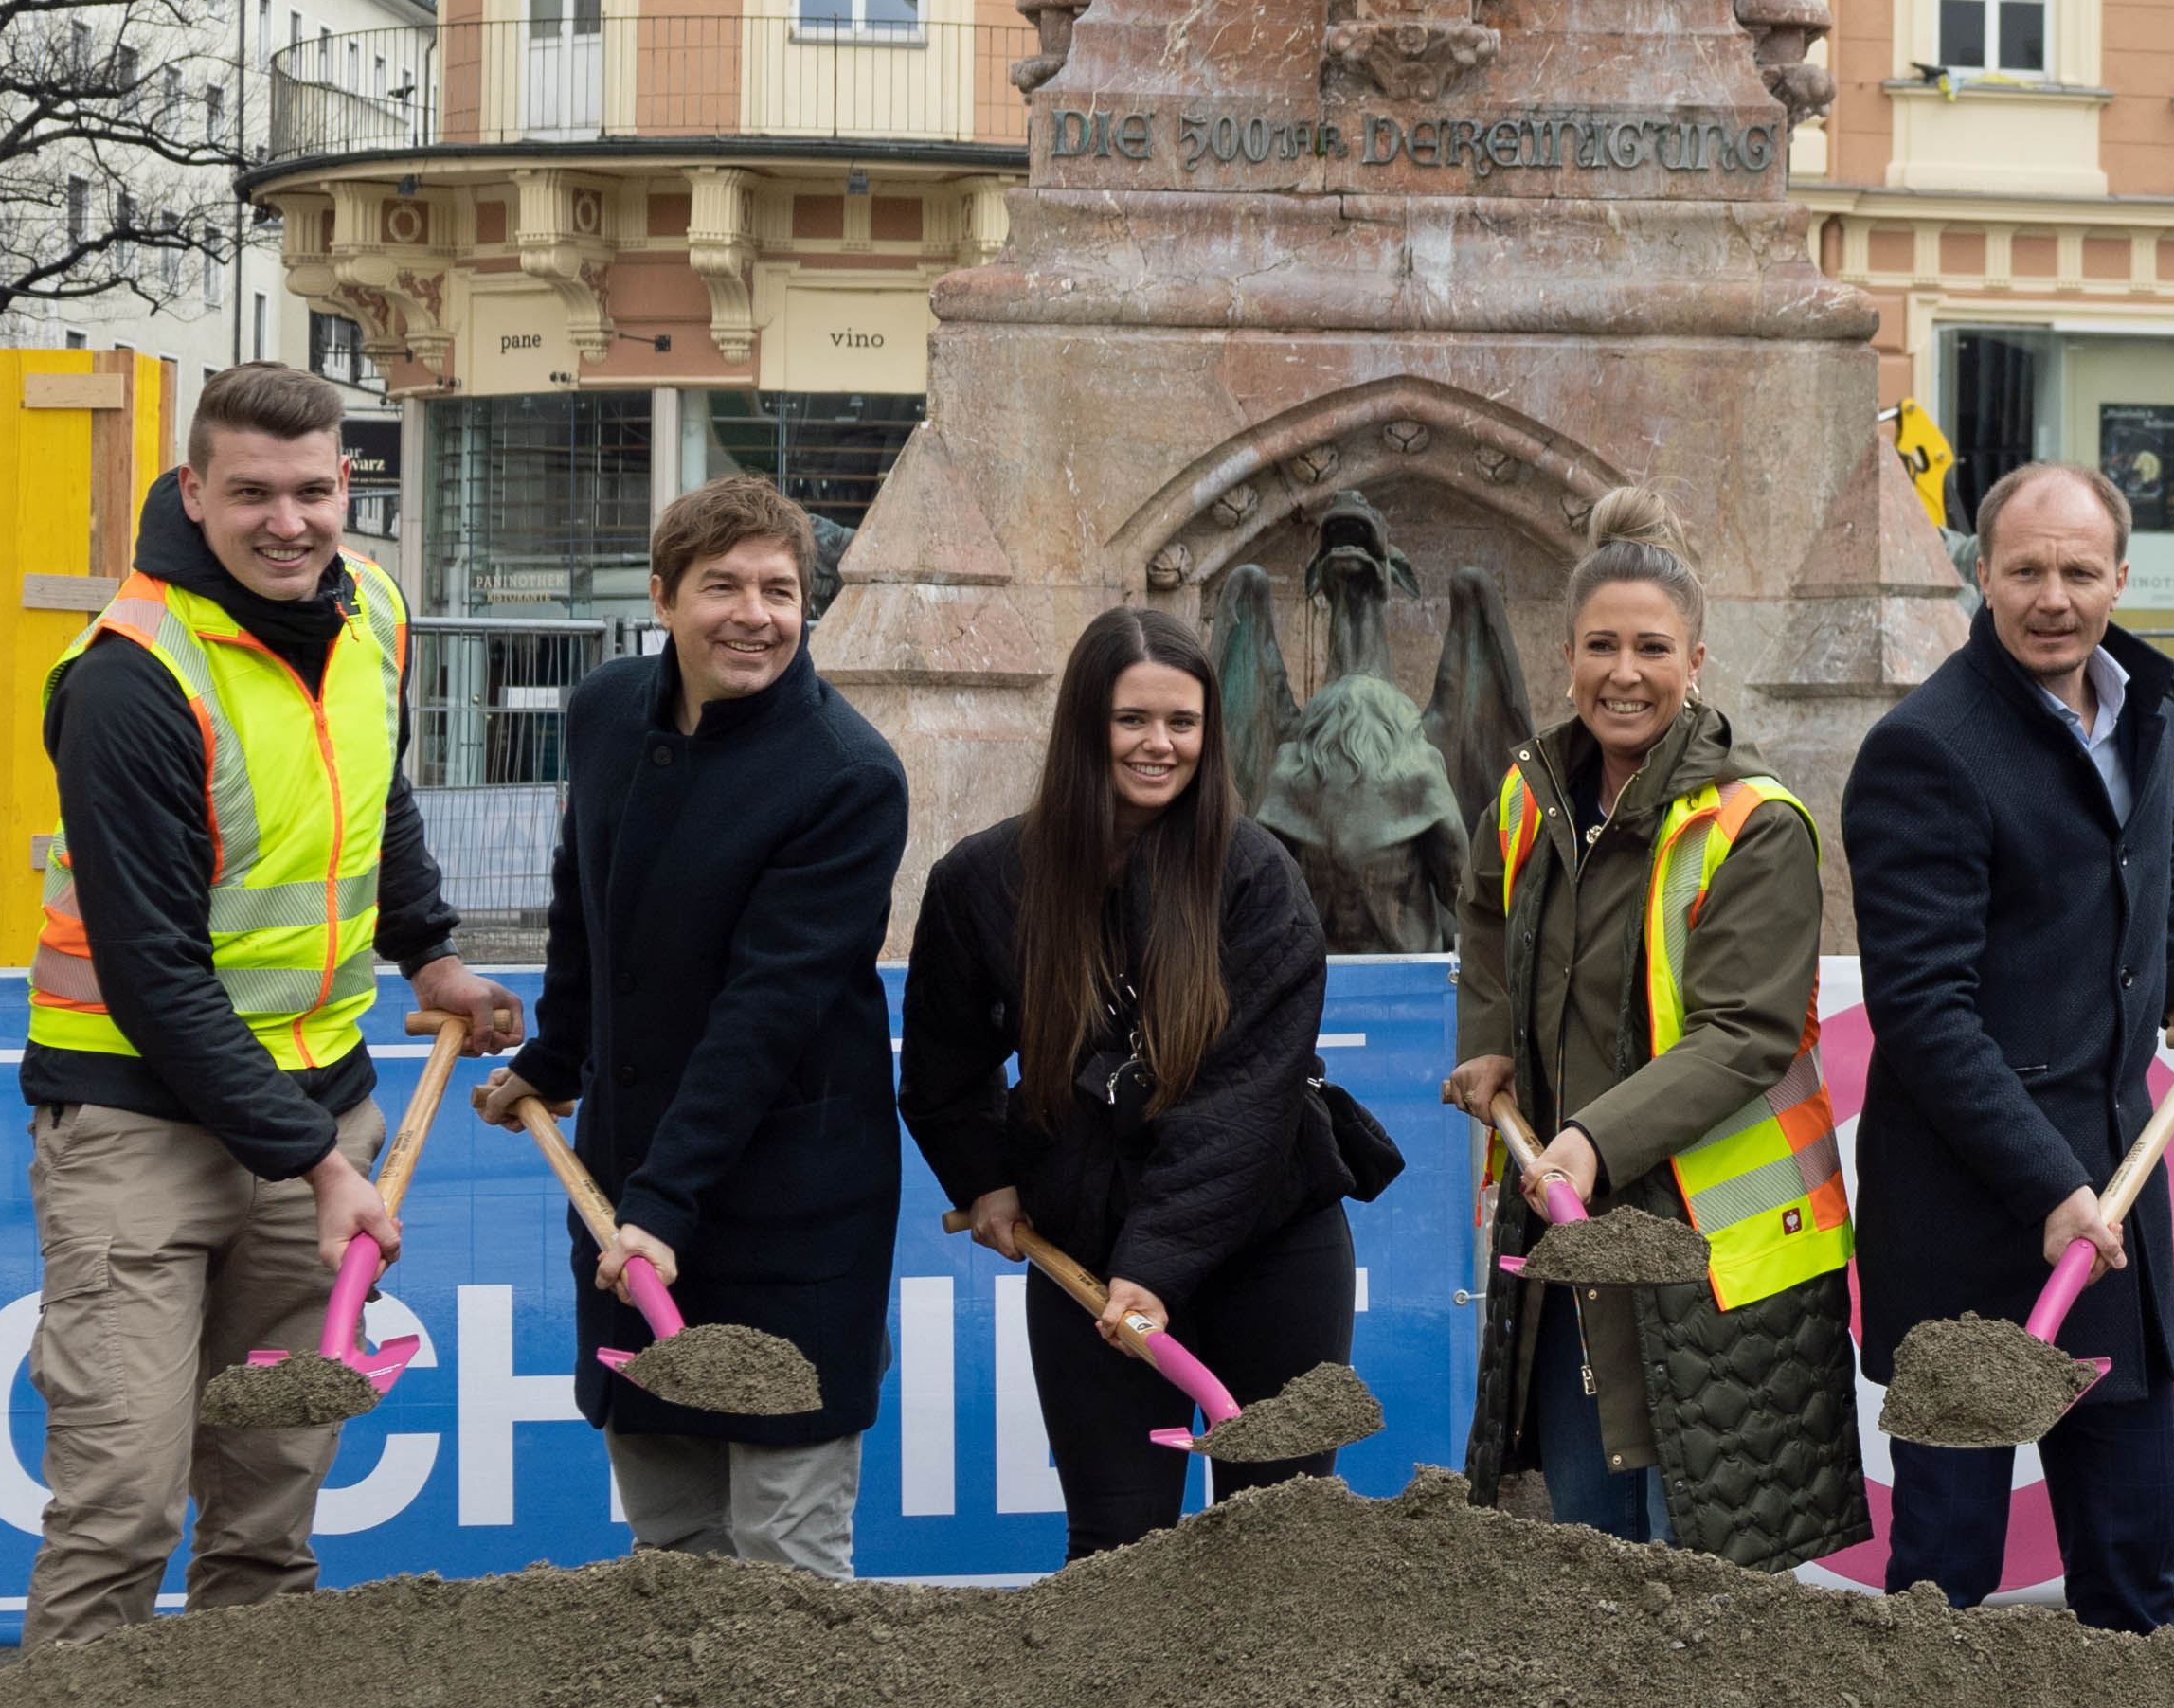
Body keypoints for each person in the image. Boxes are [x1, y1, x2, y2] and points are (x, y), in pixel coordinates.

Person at [24, 362, 523, 1650]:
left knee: (267, 1514)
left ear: (347, 484)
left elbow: (373, 797)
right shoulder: (131, 674)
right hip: (138, 1127)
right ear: (194, 491)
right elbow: (153, 974)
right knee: (121, 1509)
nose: (286, 522)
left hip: (317, 1111)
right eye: (250, 493)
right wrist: (317, 1163)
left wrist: (429, 956)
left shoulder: (374, 609)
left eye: (311, 491)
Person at [1842, 459, 2174, 1630]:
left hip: (2113, 1210)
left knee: (2128, 1572)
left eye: (2079, 571)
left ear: (2119, 577)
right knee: (1944, 1586)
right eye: (2025, 570)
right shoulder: (1924, 748)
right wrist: (2049, 1184)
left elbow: (2155, 867)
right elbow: (1924, 1012)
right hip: (1966, 1224)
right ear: (1981, 575)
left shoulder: (2145, 707)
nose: (2052, 598)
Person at [478, 474, 911, 1576]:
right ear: (663, 597)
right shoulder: (605, 711)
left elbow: (767, 1012)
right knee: (670, 1544)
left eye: (780, 590)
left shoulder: (848, 776)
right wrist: (555, 1055)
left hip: (790, 1205)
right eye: (722, 586)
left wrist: (662, 1206)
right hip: (632, 1190)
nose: (754, 615)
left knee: (784, 1549)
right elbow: (585, 898)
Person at [1448, 489, 1871, 1569]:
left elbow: (1744, 1034)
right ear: (1566, 656)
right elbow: (1487, 917)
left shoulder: (1754, 822)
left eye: (1651, 648)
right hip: (1571, 1234)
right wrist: (1489, 1038)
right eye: (1601, 646)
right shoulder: (1529, 797)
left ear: (1697, 662)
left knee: (1709, 1579)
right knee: (1592, 1559)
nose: (1623, 673)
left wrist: (1591, 1139)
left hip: (1720, 1257)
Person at [902, 604, 1359, 1555]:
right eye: (1132, 719)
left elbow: (1246, 1103)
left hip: (1269, 1237)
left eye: (1182, 722)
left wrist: (1155, 1264)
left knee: (1279, 1548)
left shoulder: (1256, 873)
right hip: (1086, 1250)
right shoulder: (983, 879)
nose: (1160, 743)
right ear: (1085, 725)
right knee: (1116, 1549)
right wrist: (985, 1176)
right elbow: (943, 1063)